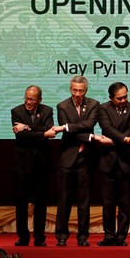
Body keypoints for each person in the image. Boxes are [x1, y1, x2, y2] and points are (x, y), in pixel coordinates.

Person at [51, 75, 106, 247]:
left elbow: (89, 122)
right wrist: (91, 136)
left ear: (86, 91)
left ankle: (83, 236)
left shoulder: (94, 104)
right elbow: (70, 132)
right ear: (70, 89)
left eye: (81, 91)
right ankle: (61, 236)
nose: (77, 94)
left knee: (84, 201)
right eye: (74, 90)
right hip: (67, 158)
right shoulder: (62, 106)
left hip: (85, 158)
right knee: (64, 200)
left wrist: (67, 127)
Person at [96, 82, 130, 246]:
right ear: (111, 98)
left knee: (125, 203)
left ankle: (121, 237)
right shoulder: (103, 108)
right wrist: (125, 140)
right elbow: (107, 128)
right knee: (108, 202)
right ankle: (109, 236)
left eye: (125, 96)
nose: (124, 100)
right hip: (107, 161)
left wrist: (116, 141)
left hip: (126, 161)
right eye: (119, 98)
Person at [11, 85, 56, 247]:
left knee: (41, 202)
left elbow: (49, 129)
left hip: (41, 164)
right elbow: (22, 136)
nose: (28, 102)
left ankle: (39, 238)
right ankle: (23, 237)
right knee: (21, 202)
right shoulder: (16, 111)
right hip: (23, 164)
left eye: (32, 99)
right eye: (26, 98)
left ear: (39, 100)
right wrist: (42, 134)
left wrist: (28, 127)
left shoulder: (47, 110)